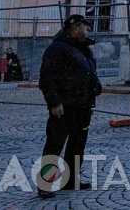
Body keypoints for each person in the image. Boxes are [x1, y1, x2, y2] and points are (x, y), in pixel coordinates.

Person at [37, 14, 103, 199]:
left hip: (83, 105)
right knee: (55, 144)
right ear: (75, 28)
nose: (87, 31)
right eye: (85, 27)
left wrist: (96, 86)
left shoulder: (83, 48)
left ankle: (71, 179)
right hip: (64, 106)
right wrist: (54, 102)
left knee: (77, 145)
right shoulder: (58, 49)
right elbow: (47, 78)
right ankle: (45, 184)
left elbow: (89, 71)